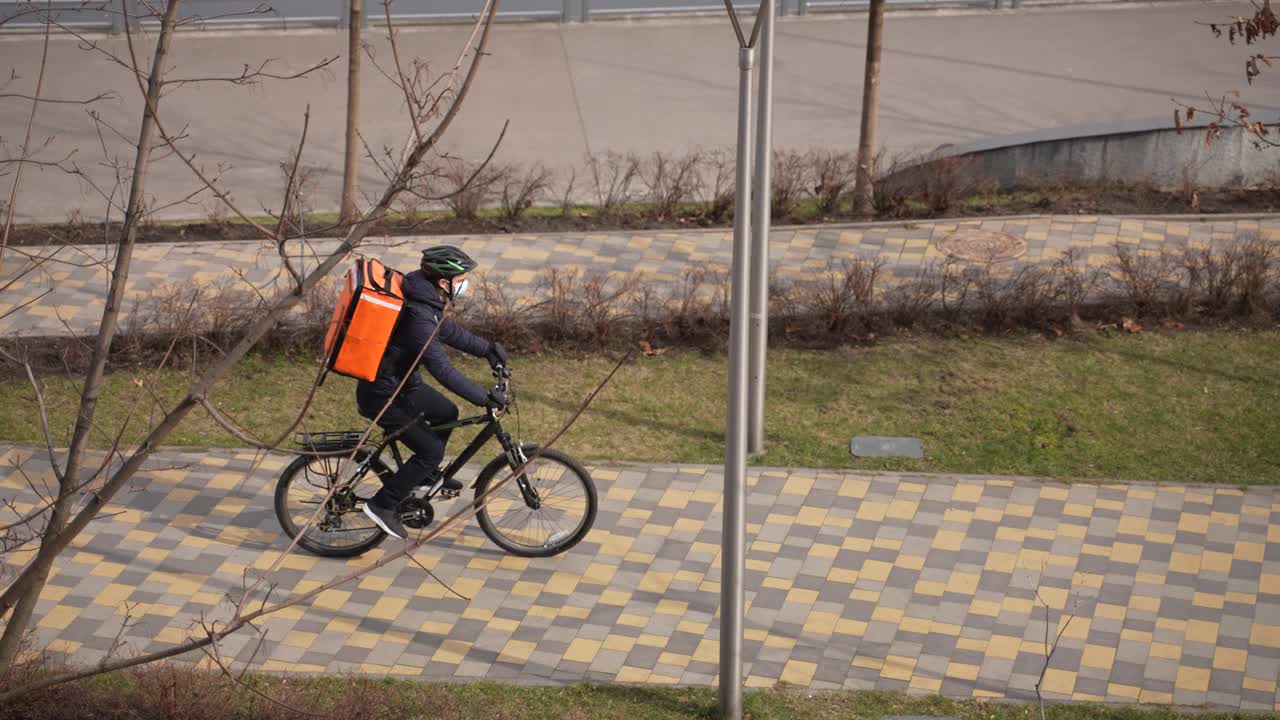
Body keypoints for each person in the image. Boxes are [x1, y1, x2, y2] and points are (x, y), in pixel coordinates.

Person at [358, 245, 509, 539]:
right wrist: (483, 398)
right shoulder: (419, 317)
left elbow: (448, 331)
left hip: (402, 385)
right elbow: (442, 370)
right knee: (431, 450)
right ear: (444, 282)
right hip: (383, 394)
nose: (465, 284)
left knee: (446, 412)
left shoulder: (425, 300)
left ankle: (424, 476)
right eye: (461, 278)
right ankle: (382, 505)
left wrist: (487, 350)